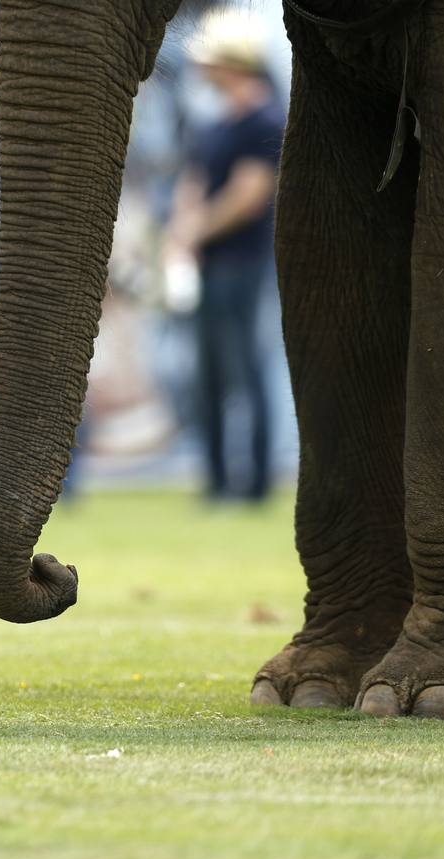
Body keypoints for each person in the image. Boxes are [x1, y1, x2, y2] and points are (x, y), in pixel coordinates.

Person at [169, 9, 284, 503]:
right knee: (209, 373)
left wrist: (193, 230)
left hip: (242, 263)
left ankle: (254, 483)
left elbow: (248, 195)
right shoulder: (214, 124)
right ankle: (216, 481)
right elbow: (194, 182)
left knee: (245, 368)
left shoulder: (265, 120)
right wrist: (182, 231)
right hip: (208, 264)